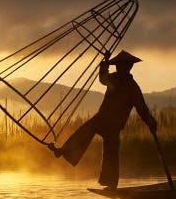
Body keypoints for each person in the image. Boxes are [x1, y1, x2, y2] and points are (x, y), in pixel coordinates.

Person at [49, 49, 157, 189]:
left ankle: (111, 184)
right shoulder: (114, 79)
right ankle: (65, 151)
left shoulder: (132, 87)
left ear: (129, 67)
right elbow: (102, 78)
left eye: (122, 66)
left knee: (110, 153)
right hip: (102, 117)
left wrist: (151, 122)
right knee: (84, 131)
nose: (119, 68)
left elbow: (141, 108)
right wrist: (105, 62)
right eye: (117, 66)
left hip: (114, 124)